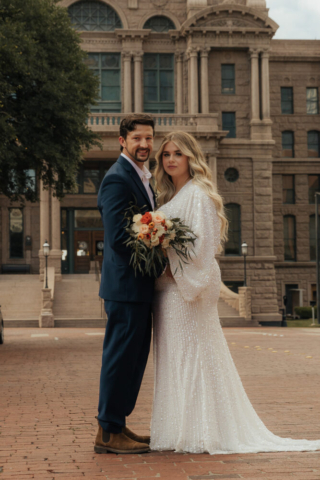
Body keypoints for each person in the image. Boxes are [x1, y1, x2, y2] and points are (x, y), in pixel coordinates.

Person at [150, 131, 320, 454]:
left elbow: (204, 247)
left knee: (194, 357)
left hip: (186, 291)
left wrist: (173, 266)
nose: (171, 159)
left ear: (191, 157)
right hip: (168, 294)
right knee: (175, 358)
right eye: (166, 154)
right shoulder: (170, 199)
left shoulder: (199, 195)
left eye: (178, 153)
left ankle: (202, 432)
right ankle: (178, 430)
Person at [95, 114, 157, 455]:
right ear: (122, 141)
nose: (144, 145)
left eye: (148, 138)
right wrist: (160, 249)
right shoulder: (118, 178)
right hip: (126, 287)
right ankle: (108, 431)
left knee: (133, 359)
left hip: (138, 289)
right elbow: (119, 238)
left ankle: (116, 424)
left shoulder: (141, 176)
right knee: (120, 358)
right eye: (137, 139)